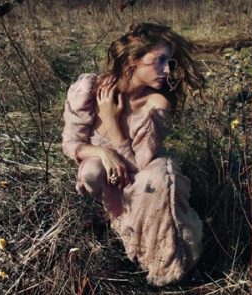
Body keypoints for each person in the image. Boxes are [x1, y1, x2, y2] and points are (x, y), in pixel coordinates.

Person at [61, 22, 203, 286]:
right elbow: (71, 144)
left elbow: (139, 165)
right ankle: (106, 216)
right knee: (91, 170)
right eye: (159, 61)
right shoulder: (89, 90)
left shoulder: (156, 103)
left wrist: (113, 127)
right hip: (103, 174)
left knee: (160, 179)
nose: (167, 70)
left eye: (170, 62)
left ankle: (163, 266)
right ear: (132, 61)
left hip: (142, 171)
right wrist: (103, 151)